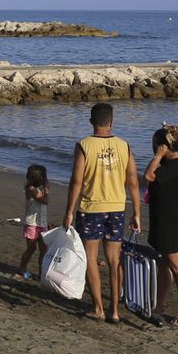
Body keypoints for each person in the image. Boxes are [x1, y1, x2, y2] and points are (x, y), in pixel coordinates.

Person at [62, 102, 141, 323]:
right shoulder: (124, 146)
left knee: (90, 258)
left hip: (91, 208)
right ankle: (114, 310)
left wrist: (69, 211)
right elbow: (133, 181)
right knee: (114, 261)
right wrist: (137, 212)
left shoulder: (84, 145)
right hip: (116, 207)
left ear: (91, 122)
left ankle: (98, 308)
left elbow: (76, 181)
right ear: (111, 123)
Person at [144, 124, 178, 327]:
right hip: (164, 220)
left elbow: (148, 176)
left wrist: (157, 155)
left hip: (172, 223)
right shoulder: (169, 166)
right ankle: (160, 304)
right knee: (163, 263)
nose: (153, 149)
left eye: (155, 146)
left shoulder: (176, 165)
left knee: (176, 266)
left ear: (163, 147)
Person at [15, 164, 49, 281]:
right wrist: (47, 190)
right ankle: (21, 269)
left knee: (44, 249)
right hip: (32, 223)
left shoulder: (39, 188)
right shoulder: (30, 189)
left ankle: (42, 273)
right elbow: (45, 201)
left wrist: (44, 188)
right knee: (31, 248)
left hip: (41, 222)